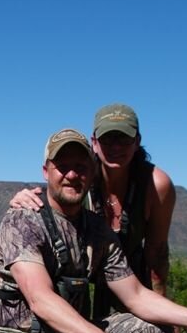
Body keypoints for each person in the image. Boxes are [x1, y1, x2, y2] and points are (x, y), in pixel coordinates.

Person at [0, 129, 187, 333]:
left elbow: (136, 295)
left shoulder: (98, 229)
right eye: (62, 166)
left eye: (80, 167)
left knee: (152, 332)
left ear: (91, 172)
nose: (72, 175)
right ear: (46, 171)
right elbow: (41, 299)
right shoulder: (23, 220)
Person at [10, 103, 176, 307]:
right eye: (108, 139)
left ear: (137, 141)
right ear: (94, 143)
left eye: (124, 138)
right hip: (80, 280)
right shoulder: (81, 176)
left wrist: (161, 301)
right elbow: (55, 195)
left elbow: (157, 251)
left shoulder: (155, 185)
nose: (116, 147)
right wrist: (25, 198)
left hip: (130, 280)